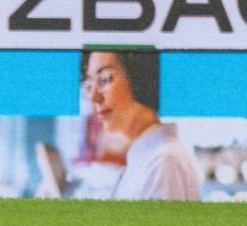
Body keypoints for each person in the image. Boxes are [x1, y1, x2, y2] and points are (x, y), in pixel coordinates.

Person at [83, 50, 201, 201]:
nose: (94, 97)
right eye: (89, 86)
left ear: (140, 78)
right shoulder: (146, 156)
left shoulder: (163, 161)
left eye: (105, 79)